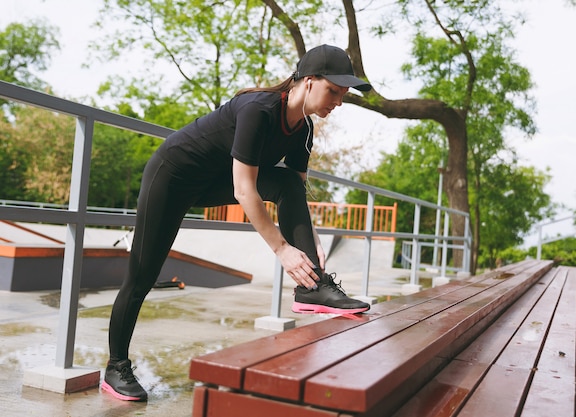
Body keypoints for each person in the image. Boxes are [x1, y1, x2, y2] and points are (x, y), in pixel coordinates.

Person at [101, 44, 373, 402]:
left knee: (288, 182)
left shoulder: (304, 130)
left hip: (214, 182)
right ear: (309, 82)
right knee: (142, 278)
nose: (338, 101)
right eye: (334, 91)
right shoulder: (258, 109)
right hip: (172, 176)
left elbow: (293, 188)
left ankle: (311, 288)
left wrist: (310, 243)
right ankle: (115, 366)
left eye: (343, 95)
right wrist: (282, 249)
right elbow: (245, 190)